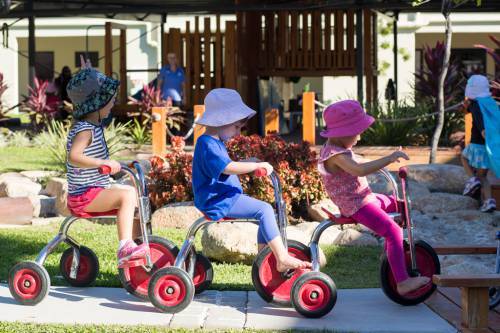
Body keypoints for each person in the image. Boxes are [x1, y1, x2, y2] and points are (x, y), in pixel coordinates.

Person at [192, 88, 311, 272]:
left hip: (224, 197)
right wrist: (254, 166)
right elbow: (227, 167)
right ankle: (281, 258)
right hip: (218, 201)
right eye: (236, 127)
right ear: (221, 120)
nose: (238, 133)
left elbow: (226, 164)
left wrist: (249, 162)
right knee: (264, 210)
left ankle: (263, 260)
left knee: (265, 213)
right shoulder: (207, 144)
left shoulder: (213, 143)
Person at [318, 100, 430, 295]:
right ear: (343, 133)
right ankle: (402, 282)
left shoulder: (337, 150)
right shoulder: (336, 156)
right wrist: (388, 159)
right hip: (356, 205)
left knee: (398, 204)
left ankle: (391, 253)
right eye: (357, 132)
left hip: (362, 198)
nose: (359, 137)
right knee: (393, 230)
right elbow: (359, 170)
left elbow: (357, 162)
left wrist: (378, 158)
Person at [65, 56, 147, 268]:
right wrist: (103, 163)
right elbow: (74, 157)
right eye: (108, 99)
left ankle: (139, 244)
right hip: (83, 196)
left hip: (93, 190)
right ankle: (125, 248)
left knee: (134, 197)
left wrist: (116, 163)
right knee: (127, 194)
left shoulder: (94, 124)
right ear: (97, 103)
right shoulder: (85, 130)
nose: (112, 102)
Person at [461, 75, 498, 212]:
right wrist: (465, 106)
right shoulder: (490, 103)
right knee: (483, 176)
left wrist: (483, 132)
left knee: (464, 158)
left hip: (477, 145)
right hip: (488, 148)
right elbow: (467, 110)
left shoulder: (476, 105)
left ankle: (472, 180)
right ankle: (489, 201)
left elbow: (479, 120)